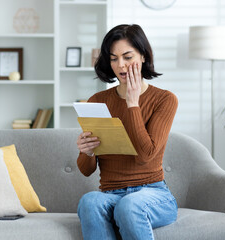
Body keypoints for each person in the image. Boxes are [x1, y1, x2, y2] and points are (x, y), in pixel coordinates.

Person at [76, 24, 178, 240]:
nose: (120, 65)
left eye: (127, 56)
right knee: (89, 201)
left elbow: (145, 156)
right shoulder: (98, 101)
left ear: (143, 56)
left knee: (129, 206)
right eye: (113, 58)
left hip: (153, 193)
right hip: (111, 194)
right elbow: (86, 171)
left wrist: (133, 104)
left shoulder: (164, 99)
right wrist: (87, 152)